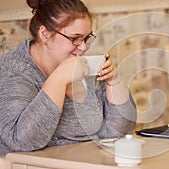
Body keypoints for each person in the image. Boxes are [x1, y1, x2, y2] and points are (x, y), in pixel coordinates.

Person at [0, 0, 137, 156]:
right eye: (75, 38)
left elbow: (120, 132)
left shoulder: (85, 66)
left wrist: (114, 80)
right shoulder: (14, 72)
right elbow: (22, 142)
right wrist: (58, 79)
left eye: (87, 38)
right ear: (45, 34)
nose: (83, 47)